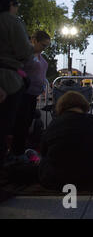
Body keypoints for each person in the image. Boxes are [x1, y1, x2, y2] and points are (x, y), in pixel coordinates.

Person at [0, 0, 34, 168]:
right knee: (8, 125)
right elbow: (24, 52)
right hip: (9, 79)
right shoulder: (11, 21)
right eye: (16, 4)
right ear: (10, 4)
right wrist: (30, 47)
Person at [11, 31, 51, 159]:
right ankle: (16, 152)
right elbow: (16, 67)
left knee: (27, 123)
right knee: (20, 124)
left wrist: (44, 82)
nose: (44, 48)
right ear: (34, 41)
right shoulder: (25, 54)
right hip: (23, 93)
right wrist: (25, 78)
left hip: (32, 95)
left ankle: (19, 150)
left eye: (46, 46)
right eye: (43, 45)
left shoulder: (39, 57)